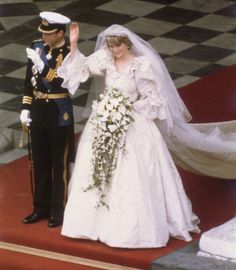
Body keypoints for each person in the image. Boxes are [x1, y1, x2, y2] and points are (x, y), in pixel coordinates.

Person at [57, 23, 236, 248]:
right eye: (111, 46)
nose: (115, 51)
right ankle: (91, 224)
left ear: (127, 44)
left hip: (133, 122)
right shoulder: (105, 59)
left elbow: (153, 100)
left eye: (118, 46)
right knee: (97, 167)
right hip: (104, 121)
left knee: (134, 172)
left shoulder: (141, 65)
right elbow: (81, 69)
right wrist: (73, 42)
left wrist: (126, 108)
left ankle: (129, 230)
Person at [20, 11, 75, 228]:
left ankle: (58, 210)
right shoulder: (36, 47)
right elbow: (28, 82)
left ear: (60, 33)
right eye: (42, 33)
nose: (44, 37)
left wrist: (44, 68)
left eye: (49, 34)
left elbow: (64, 83)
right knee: (40, 161)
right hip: (38, 109)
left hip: (58, 111)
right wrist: (25, 107)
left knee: (58, 164)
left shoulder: (70, 52)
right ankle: (40, 207)